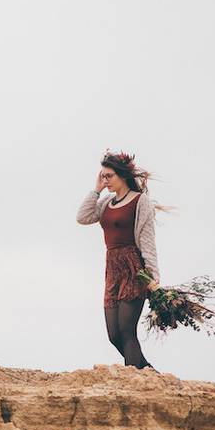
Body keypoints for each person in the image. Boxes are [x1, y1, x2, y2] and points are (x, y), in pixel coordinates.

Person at [76, 151, 160, 370]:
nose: (106, 181)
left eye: (109, 176)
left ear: (122, 175)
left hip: (133, 268)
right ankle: (149, 373)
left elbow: (148, 241)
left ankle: (135, 383)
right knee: (114, 334)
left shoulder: (141, 202)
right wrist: (96, 189)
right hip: (112, 269)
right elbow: (82, 217)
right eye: (103, 176)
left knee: (126, 330)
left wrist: (153, 277)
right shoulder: (105, 203)